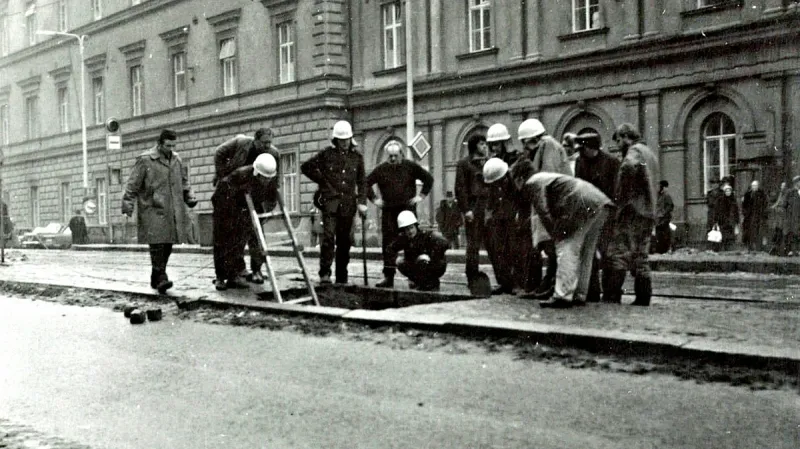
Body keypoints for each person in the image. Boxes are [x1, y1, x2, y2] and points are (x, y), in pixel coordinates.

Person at [122, 129, 197, 294]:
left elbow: (184, 182)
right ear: (159, 144)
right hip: (152, 208)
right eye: (168, 145)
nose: (171, 149)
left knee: (168, 244)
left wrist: (189, 196)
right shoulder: (145, 160)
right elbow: (132, 184)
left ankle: (156, 276)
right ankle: (162, 277)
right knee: (157, 244)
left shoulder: (177, 159)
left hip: (172, 209)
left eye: (173, 146)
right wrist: (128, 205)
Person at [525, 173, 612, 308]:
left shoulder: (532, 183)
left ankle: (562, 295)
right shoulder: (547, 177)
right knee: (586, 252)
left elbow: (543, 210)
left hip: (580, 202)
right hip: (600, 202)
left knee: (567, 247)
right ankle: (580, 294)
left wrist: (555, 234)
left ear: (519, 178)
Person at [509, 118, 571, 299]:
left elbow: (547, 177)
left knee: (553, 248)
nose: (524, 146)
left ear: (533, 138)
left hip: (555, 203)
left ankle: (552, 286)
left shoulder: (549, 147)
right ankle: (547, 284)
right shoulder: (544, 148)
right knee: (550, 248)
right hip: (551, 203)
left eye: (525, 141)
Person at [300, 120, 367, 284]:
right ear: (335, 140)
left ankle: (341, 276)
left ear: (351, 138)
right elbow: (306, 167)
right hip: (330, 204)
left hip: (348, 205)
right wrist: (323, 182)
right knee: (328, 238)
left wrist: (362, 202)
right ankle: (325, 273)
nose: (344, 143)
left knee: (345, 241)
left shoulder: (357, 158)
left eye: (347, 139)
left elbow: (362, 182)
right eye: (341, 140)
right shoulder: (327, 154)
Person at [213, 128, 281, 284]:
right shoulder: (241, 149)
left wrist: (265, 210)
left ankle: (254, 270)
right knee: (226, 237)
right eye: (264, 142)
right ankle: (223, 276)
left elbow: (273, 186)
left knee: (256, 235)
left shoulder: (272, 156)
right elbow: (219, 154)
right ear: (255, 140)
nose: (267, 146)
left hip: (251, 196)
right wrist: (221, 174)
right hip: (228, 197)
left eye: (269, 142)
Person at [604, 123, 659, 306]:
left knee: (619, 253)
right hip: (648, 211)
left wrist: (620, 198)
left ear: (626, 137)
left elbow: (628, 167)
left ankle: (613, 295)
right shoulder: (649, 152)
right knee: (641, 256)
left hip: (632, 211)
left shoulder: (634, 151)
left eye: (619, 140)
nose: (618, 145)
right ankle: (643, 297)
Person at [366, 141, 434, 288]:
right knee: (388, 245)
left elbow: (428, 179)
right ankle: (388, 276)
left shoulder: (410, 166)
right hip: (389, 212)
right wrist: (375, 200)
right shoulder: (381, 169)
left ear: (401, 154)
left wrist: (420, 196)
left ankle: (414, 277)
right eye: (390, 156)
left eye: (395, 155)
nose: (392, 159)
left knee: (412, 243)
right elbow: (365, 183)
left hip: (407, 211)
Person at [573, 132, 621, 301]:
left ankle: (611, 294)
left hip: (607, 213)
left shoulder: (611, 162)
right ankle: (592, 291)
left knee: (608, 254)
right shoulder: (580, 161)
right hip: (587, 213)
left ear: (591, 147)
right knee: (589, 253)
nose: (580, 152)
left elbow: (616, 190)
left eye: (583, 149)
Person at [455, 134, 490, 284]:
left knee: (492, 244)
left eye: (485, 144)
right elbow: (460, 188)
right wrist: (466, 210)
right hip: (474, 207)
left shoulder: (488, 162)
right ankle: (472, 276)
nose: (485, 146)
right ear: (474, 146)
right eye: (481, 144)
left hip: (488, 206)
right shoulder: (464, 164)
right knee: (473, 244)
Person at [483, 157, 520, 295]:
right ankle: (504, 283)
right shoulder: (495, 184)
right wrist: (489, 215)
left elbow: (519, 199)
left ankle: (516, 283)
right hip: (499, 219)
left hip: (512, 219)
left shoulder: (513, 181)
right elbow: (491, 201)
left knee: (514, 251)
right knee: (499, 251)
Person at [390, 210, 450, 291]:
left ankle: (431, 283)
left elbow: (445, 243)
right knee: (400, 262)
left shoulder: (426, 235)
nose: (410, 231)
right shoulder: (404, 239)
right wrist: (395, 259)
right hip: (417, 267)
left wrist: (431, 256)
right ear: (403, 231)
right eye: (407, 229)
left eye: (411, 228)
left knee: (422, 260)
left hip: (433, 265)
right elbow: (390, 248)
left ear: (416, 226)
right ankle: (416, 281)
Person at [742, 180, 769, 252]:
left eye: (755, 185)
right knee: (750, 231)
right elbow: (744, 205)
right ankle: (750, 246)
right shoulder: (748, 194)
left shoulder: (762, 194)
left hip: (759, 216)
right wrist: (745, 213)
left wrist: (763, 214)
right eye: (753, 186)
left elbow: (765, 204)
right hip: (749, 216)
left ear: (758, 186)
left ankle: (758, 247)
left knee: (758, 232)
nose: (754, 187)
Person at [713, 183, 740, 251]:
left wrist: (737, 221)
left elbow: (736, 211)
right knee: (723, 236)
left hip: (731, 221)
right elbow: (717, 211)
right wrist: (716, 220)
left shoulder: (733, 200)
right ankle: (723, 250)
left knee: (730, 237)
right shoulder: (720, 200)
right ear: (724, 192)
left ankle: (728, 250)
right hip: (723, 221)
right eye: (726, 191)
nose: (728, 192)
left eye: (729, 191)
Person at [653, 180, 675, 254]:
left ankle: (665, 249)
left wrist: (663, 213)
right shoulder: (658, 196)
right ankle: (660, 250)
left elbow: (670, 206)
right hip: (658, 219)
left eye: (659, 186)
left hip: (664, 219)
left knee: (665, 234)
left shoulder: (666, 196)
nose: (657, 188)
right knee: (659, 235)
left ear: (662, 187)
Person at [781, 176, 800, 256]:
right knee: (790, 233)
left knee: (798, 233)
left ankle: (798, 250)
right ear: (796, 183)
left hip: (798, 217)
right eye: (799, 182)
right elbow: (784, 204)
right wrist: (787, 215)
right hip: (791, 217)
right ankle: (790, 251)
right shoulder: (790, 192)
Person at [769, 182, 788, 256]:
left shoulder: (786, 194)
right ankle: (775, 249)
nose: (782, 187)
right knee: (777, 231)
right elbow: (777, 202)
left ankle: (779, 249)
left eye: (783, 186)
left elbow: (783, 203)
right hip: (778, 216)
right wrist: (772, 207)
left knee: (780, 232)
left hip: (783, 216)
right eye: (781, 186)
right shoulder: (780, 194)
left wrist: (777, 207)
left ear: (785, 187)